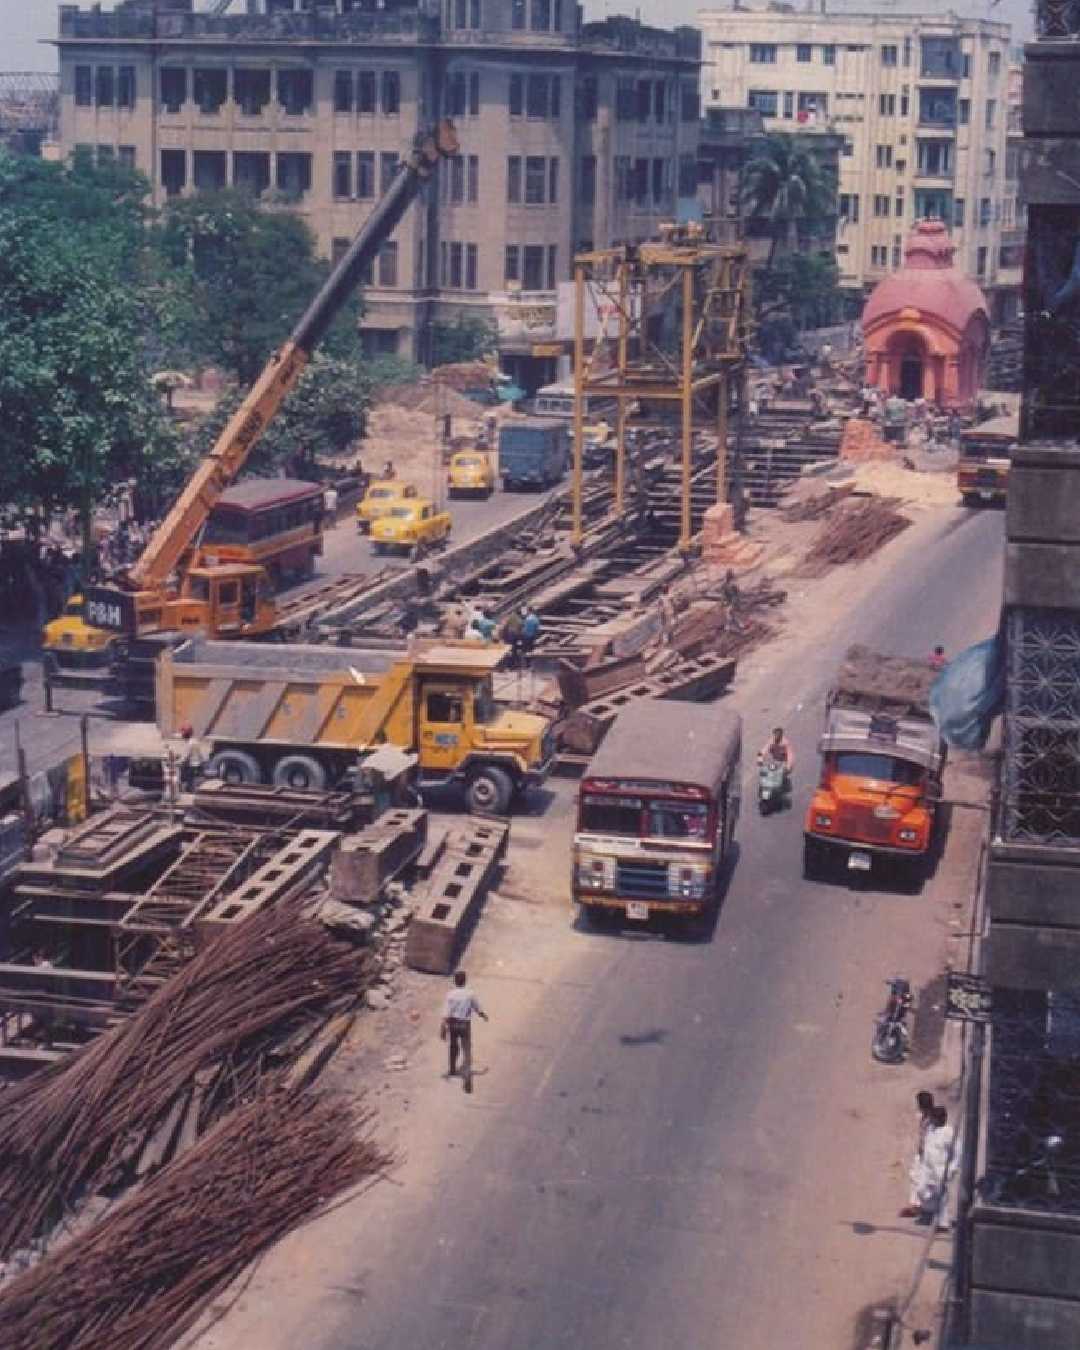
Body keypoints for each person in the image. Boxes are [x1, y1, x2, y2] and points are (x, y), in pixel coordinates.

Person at [902, 1105, 957, 1222]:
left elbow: (957, 1152)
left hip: (941, 1168)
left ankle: (943, 1222)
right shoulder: (931, 1129)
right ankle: (928, 1212)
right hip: (927, 1167)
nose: (933, 1121)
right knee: (921, 1190)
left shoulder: (949, 1132)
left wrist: (952, 1168)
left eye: (935, 1118)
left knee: (941, 1194)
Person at [440, 969, 488, 1093]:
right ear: (465, 981)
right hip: (464, 1024)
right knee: (466, 1048)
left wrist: (443, 1028)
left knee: (453, 1046)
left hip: (453, 1023)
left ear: (455, 981)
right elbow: (477, 1007)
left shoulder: (450, 994)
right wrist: (483, 1015)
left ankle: (452, 1069)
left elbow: (446, 1012)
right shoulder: (470, 994)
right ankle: (466, 1073)